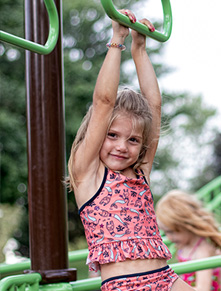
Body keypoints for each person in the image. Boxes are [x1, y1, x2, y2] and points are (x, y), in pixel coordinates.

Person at [67, 9, 195, 291]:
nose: (122, 147)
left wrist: (139, 49)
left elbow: (154, 106)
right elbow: (103, 101)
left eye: (134, 140)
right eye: (112, 135)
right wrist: (117, 39)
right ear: (98, 134)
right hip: (125, 285)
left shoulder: (140, 172)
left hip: (166, 279)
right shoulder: (87, 172)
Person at [156, 189, 221, 291]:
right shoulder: (183, 246)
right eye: (166, 232)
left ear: (186, 225)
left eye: (172, 232)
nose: (169, 237)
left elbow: (203, 288)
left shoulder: (202, 251)